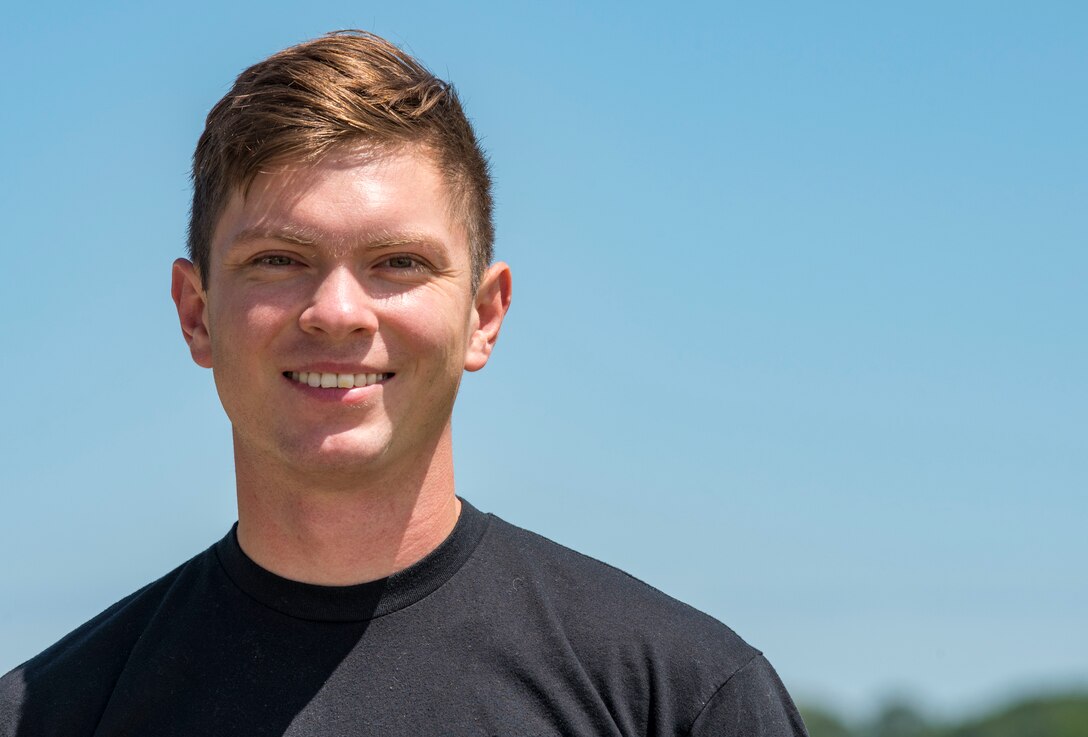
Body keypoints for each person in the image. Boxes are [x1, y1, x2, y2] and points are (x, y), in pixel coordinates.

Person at [0, 30, 808, 736]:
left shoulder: (680, 702)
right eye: (277, 259)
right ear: (196, 313)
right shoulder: (48, 715)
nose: (337, 311)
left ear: (484, 315)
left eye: (399, 262)